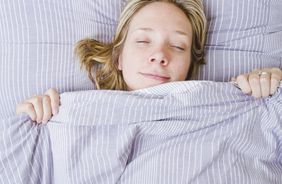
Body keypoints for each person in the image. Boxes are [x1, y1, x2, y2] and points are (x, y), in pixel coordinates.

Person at [16, 0, 282, 124]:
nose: (160, 55)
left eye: (178, 46)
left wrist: (272, 89)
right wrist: (31, 119)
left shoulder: (230, 100)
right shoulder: (69, 111)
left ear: (190, 65)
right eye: (144, 41)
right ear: (118, 56)